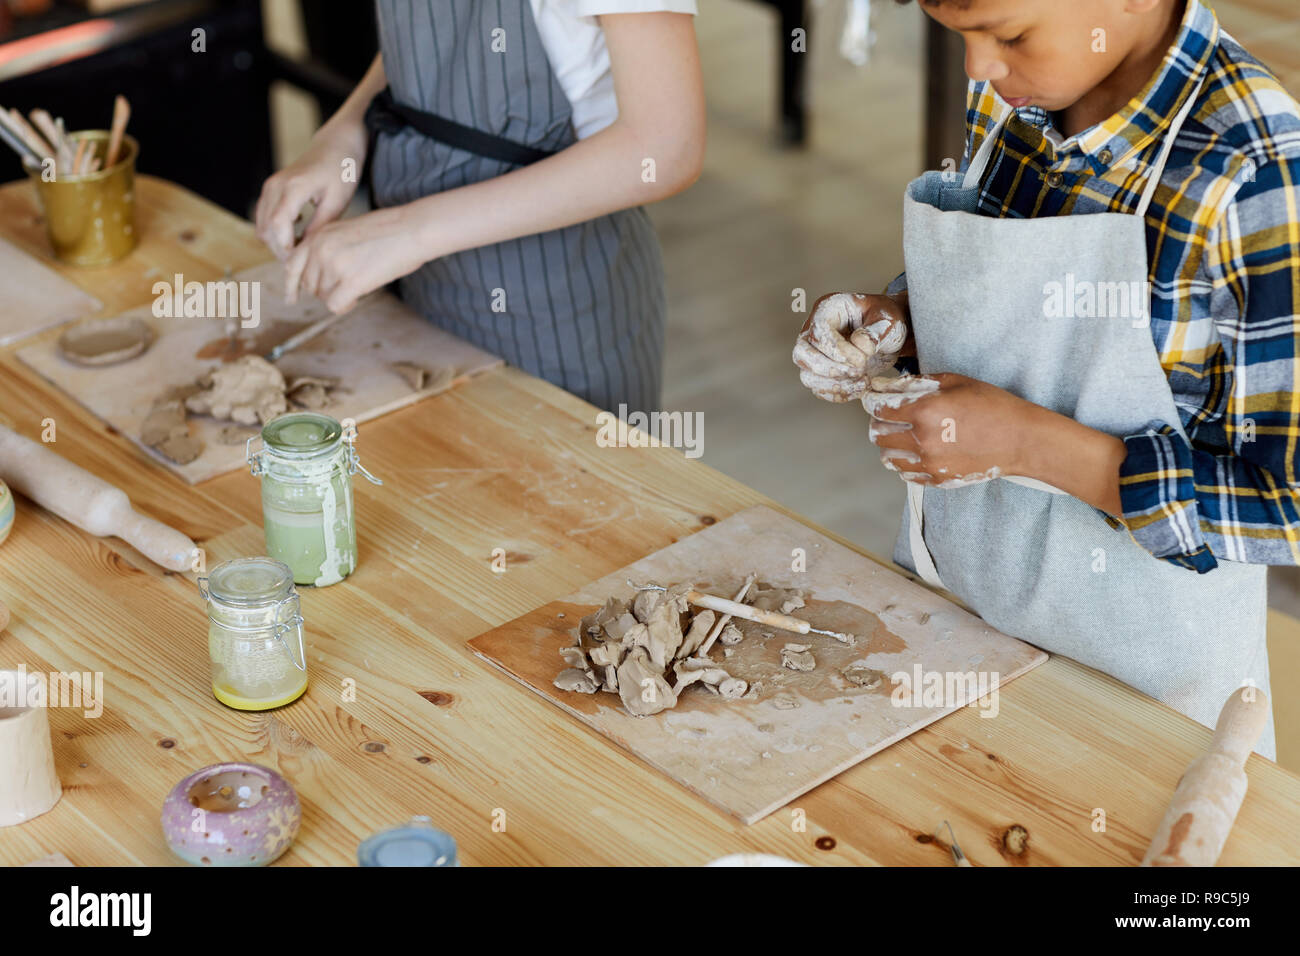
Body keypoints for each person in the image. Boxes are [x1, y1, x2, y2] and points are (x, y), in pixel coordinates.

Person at [794, 0, 1300, 757]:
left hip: (1145, 691)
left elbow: (1287, 503)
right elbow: (1022, 308)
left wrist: (1030, 447)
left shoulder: (1256, 173)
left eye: (1007, 33)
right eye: (957, 33)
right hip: (959, 608)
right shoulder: (1018, 94)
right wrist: (900, 321)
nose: (977, 67)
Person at [255, 1, 704, 415]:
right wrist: (344, 131)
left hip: (552, 304)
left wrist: (408, 232)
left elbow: (666, 147)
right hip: (413, 276)